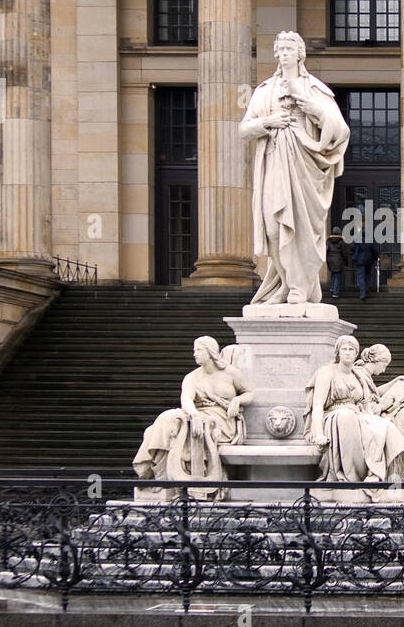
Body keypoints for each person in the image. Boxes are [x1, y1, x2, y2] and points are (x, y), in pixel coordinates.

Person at [240, 31, 350, 305]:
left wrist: (313, 109)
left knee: (300, 229)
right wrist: (268, 122)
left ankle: (299, 286)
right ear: (276, 54)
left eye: (290, 48)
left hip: (305, 165)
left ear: (301, 54)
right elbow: (244, 129)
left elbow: (340, 129)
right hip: (275, 162)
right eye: (281, 49)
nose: (285, 53)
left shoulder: (316, 89)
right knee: (274, 228)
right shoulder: (264, 91)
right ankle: (285, 283)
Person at [132, 336, 253, 500]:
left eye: (198, 350)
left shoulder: (230, 372)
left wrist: (237, 400)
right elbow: (187, 400)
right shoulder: (192, 377)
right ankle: (161, 477)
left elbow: (249, 393)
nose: (194, 354)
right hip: (197, 414)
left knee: (175, 425)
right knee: (165, 421)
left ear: (210, 351)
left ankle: (161, 480)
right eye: (194, 350)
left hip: (222, 420)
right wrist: (194, 415)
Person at [305, 335, 404, 497]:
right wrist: (318, 433)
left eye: (351, 350)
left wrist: (393, 384)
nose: (347, 353)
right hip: (334, 415)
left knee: (384, 425)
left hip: (359, 414)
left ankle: (378, 475)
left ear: (356, 354)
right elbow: (317, 405)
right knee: (348, 417)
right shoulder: (327, 372)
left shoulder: (357, 375)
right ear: (338, 352)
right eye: (344, 349)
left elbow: (370, 399)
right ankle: (353, 478)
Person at [358, 344, 404, 483]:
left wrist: (394, 382)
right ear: (377, 361)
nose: (384, 370)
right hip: (373, 417)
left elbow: (374, 393)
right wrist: (385, 404)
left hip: (379, 412)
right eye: (384, 365)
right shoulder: (360, 375)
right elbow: (367, 408)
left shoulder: (364, 374)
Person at [326, 226, 346, 298]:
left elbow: (326, 251)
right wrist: (346, 262)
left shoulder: (328, 241)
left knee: (333, 274)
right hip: (338, 260)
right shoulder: (341, 242)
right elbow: (344, 253)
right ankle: (335, 292)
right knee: (337, 276)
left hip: (330, 260)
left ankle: (332, 287)